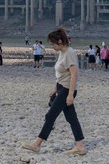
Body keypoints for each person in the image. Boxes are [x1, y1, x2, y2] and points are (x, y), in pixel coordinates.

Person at [22, 28, 87, 156]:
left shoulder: (69, 53)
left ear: (60, 41)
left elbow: (74, 75)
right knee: (71, 118)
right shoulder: (62, 52)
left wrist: (70, 95)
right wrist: (55, 88)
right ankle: (80, 146)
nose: (51, 46)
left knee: (50, 116)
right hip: (61, 88)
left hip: (67, 90)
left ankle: (37, 144)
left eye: (52, 44)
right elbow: (62, 75)